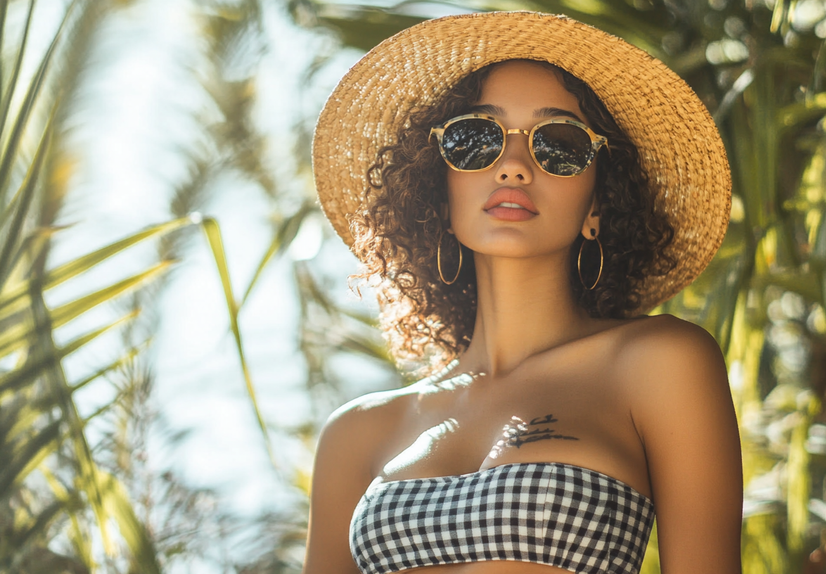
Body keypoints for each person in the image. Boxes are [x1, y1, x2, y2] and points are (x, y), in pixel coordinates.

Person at [303, 11, 741, 574]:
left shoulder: (658, 364)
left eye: (558, 143)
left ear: (598, 206)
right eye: (475, 139)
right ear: (438, 196)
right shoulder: (357, 431)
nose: (513, 165)